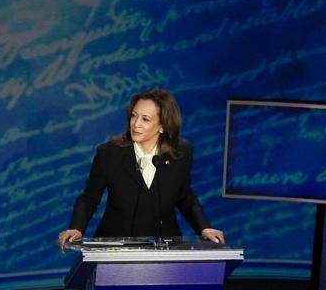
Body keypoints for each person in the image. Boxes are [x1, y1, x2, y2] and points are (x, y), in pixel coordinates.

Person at [57, 88, 226, 250]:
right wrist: (77, 228)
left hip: (164, 247)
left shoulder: (181, 152)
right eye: (133, 116)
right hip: (115, 246)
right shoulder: (109, 153)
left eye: (145, 119)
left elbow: (185, 196)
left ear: (162, 126)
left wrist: (203, 228)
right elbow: (89, 199)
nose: (135, 124)